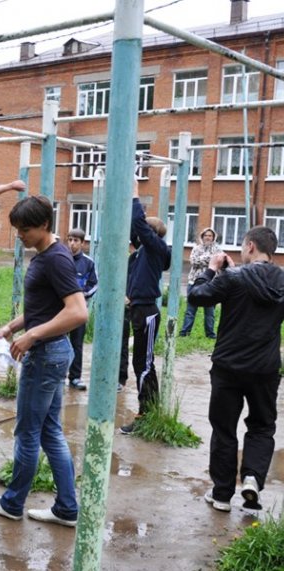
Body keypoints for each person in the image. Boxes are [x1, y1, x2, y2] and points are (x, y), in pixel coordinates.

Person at [0, 194, 88, 527]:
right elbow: (46, 305)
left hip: (45, 355)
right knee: (50, 431)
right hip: (53, 352)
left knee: (27, 432)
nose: (20, 236)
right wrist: (15, 326)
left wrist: (32, 336)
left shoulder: (56, 258)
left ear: (44, 225)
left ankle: (13, 503)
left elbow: (77, 312)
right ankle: (67, 508)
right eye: (17, 230)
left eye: (25, 229)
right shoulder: (47, 254)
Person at [188, 226, 284, 513]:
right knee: (262, 426)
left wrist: (212, 270)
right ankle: (252, 477)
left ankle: (221, 495)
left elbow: (197, 296)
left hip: (228, 367)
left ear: (250, 246)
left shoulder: (232, 278)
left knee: (224, 429)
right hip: (265, 368)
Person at [118, 183, 171, 434]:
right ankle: (147, 411)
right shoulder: (139, 254)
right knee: (140, 364)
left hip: (149, 313)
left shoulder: (156, 248)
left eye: (143, 232)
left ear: (151, 234)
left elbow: (139, 224)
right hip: (139, 309)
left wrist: (134, 193)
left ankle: (147, 414)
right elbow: (133, 228)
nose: (137, 235)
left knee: (145, 365)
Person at [66, 228, 98, 391]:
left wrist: (80, 295)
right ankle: (57, 376)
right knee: (56, 341)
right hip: (61, 311)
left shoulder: (88, 263)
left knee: (76, 344)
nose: (72, 243)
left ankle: (75, 377)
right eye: (70, 239)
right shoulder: (61, 259)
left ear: (83, 243)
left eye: (76, 240)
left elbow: (94, 285)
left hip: (79, 311)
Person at [179, 227, 221, 339]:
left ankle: (210, 334)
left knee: (210, 312)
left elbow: (218, 263)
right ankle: (184, 333)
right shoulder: (196, 248)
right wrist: (209, 259)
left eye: (210, 235)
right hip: (194, 282)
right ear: (202, 237)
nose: (208, 237)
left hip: (210, 284)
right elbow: (193, 261)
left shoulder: (218, 249)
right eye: (206, 235)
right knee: (190, 310)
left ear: (213, 237)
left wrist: (203, 259)